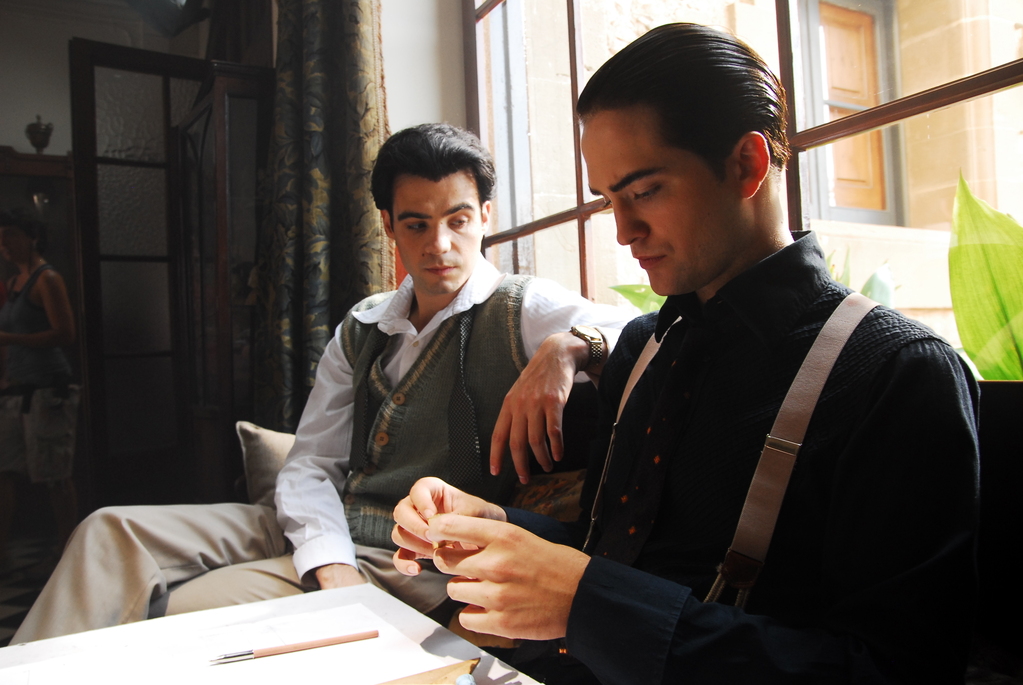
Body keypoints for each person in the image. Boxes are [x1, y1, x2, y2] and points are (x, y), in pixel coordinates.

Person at [391, 24, 980, 685]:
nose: (623, 231)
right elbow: (613, 554)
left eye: (644, 191)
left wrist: (589, 604)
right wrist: (495, 524)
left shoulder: (898, 374)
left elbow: (897, 670)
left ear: (747, 164)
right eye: (609, 200)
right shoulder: (643, 346)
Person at [12, 123, 630, 642]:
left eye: (458, 220)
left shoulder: (521, 307)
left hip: (403, 557)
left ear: (485, 216)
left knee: (184, 610)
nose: (440, 245)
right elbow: (310, 465)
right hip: (323, 525)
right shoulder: (363, 325)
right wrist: (329, 563)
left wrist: (567, 346)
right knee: (107, 530)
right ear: (389, 225)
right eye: (416, 225)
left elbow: (642, 330)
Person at [0, 209, 79, 570]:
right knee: (5, 469)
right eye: (0, 237)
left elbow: (65, 333)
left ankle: (68, 550)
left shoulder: (47, 279)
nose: (4, 244)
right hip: (16, 389)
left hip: (49, 388)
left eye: (10, 235)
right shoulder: (13, 280)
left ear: (31, 237)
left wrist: (10, 338)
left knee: (54, 473)